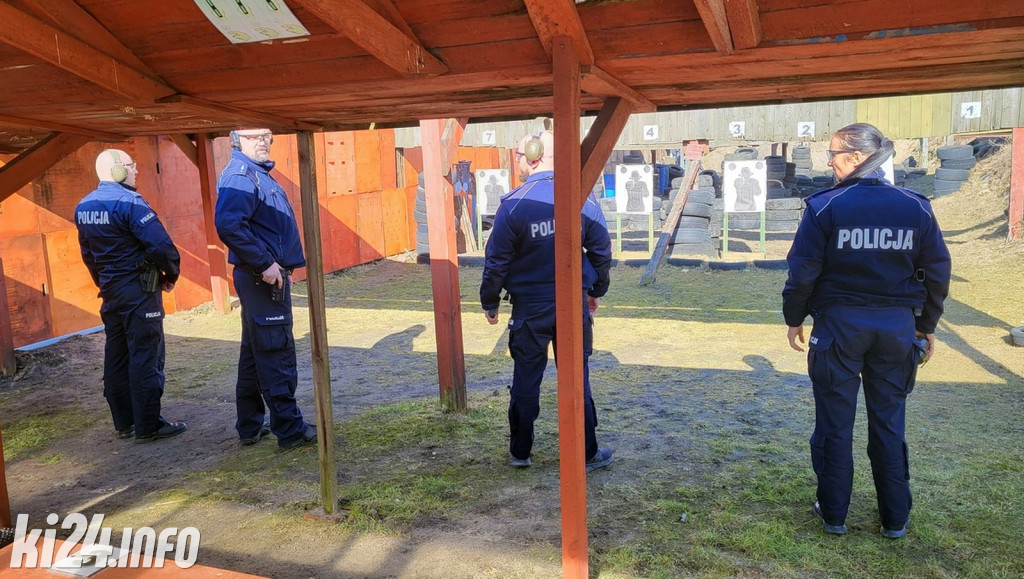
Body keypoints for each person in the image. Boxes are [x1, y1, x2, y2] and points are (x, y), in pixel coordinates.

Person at [782, 123, 951, 539]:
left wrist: (794, 317)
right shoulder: (917, 207)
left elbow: (802, 274)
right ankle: (895, 517)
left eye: (834, 155)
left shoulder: (824, 207)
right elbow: (938, 274)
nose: (829, 163)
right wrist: (925, 326)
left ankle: (834, 513)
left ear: (856, 157)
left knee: (835, 424)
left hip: (839, 329)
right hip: (896, 331)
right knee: (889, 423)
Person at [479, 127, 614, 472]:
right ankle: (587, 453)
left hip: (529, 309)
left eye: (521, 154)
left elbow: (496, 262)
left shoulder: (513, 205)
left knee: (526, 378)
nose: (518, 160)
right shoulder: (582, 197)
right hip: (573, 306)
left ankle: (520, 452)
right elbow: (600, 249)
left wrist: (490, 301)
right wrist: (595, 290)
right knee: (577, 378)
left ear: (535, 155)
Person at [76, 149, 188, 444]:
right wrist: (170, 275)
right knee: (145, 356)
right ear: (117, 171)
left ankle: (124, 422)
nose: (136, 170)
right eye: (130, 166)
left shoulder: (84, 206)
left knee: (116, 354)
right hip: (139, 293)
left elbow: (88, 255)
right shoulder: (130, 203)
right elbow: (162, 247)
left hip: (111, 293)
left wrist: (104, 283)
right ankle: (148, 424)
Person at [214, 128, 317, 451]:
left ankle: (249, 424)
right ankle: (289, 428)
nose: (262, 141)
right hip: (263, 279)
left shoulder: (255, 174)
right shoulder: (243, 176)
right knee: (276, 352)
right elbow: (229, 224)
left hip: (262, 279)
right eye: (253, 136)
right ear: (236, 140)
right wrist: (264, 263)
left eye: (266, 135)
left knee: (254, 354)